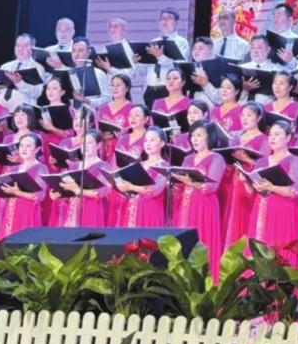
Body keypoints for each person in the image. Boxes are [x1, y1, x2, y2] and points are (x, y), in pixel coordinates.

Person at [245, 122, 298, 266]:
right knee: (259, 248)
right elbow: (251, 192)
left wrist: (271, 187)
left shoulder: (294, 160)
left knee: (280, 251)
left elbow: (296, 191)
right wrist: (245, 180)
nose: (272, 138)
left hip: (283, 212)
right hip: (261, 209)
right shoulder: (261, 161)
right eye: (270, 135)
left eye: (277, 134)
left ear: (288, 138)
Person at [173, 121, 227, 278]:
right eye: (193, 136)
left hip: (204, 206)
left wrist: (192, 183)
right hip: (186, 205)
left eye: (199, 135)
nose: (195, 139)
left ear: (209, 137)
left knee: (202, 241)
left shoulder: (216, 158)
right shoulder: (188, 159)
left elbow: (211, 187)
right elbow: (183, 185)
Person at [223, 103, 270, 246]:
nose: (245, 118)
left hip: (252, 183)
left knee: (249, 219)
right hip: (235, 181)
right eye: (242, 115)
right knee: (234, 218)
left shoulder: (264, 139)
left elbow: (265, 165)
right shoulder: (236, 139)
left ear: (258, 118)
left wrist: (247, 160)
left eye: (249, 115)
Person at [50, 128, 109, 228]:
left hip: (91, 209)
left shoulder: (103, 166)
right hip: (73, 210)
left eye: (89, 143)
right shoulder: (74, 166)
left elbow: (99, 193)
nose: (85, 146)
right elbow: (68, 193)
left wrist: (78, 190)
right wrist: (58, 195)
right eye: (83, 143)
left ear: (98, 145)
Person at [0, 133, 47, 240]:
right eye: (21, 146)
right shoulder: (14, 169)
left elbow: (38, 196)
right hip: (11, 209)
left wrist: (17, 192)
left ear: (37, 149)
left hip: (27, 212)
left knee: (24, 241)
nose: (24, 149)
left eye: (28, 146)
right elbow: (6, 190)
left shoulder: (41, 168)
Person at [115, 126, 170, 227]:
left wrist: (130, 186)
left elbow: (154, 190)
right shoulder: (138, 164)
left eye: (152, 140)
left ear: (162, 143)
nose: (148, 143)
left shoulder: (164, 166)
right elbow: (128, 188)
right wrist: (121, 185)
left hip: (150, 211)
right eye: (146, 141)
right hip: (133, 208)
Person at [141, 8, 191, 107]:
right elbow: (144, 71)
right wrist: (138, 61)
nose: (165, 21)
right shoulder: (153, 42)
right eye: (162, 18)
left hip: (168, 89)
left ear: (176, 22)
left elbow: (177, 66)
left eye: (169, 18)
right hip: (150, 89)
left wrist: (160, 57)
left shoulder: (181, 42)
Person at [0, 33, 47, 109]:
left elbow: (37, 93)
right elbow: (0, 87)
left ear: (32, 48)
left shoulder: (37, 68)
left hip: (24, 110)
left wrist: (19, 82)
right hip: (4, 108)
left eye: (25, 46)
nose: (20, 49)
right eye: (18, 45)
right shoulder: (6, 66)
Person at [97, 74, 133, 160]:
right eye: (113, 85)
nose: (115, 88)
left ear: (127, 88)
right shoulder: (102, 108)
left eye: (118, 85)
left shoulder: (132, 108)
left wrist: (123, 136)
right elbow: (96, 129)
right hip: (103, 149)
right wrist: (102, 136)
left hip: (121, 151)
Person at [239, 35, 281, 105]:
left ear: (268, 49)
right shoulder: (241, 68)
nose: (255, 51)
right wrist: (243, 88)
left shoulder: (277, 70)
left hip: (267, 106)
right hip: (243, 106)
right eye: (252, 48)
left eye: (259, 48)